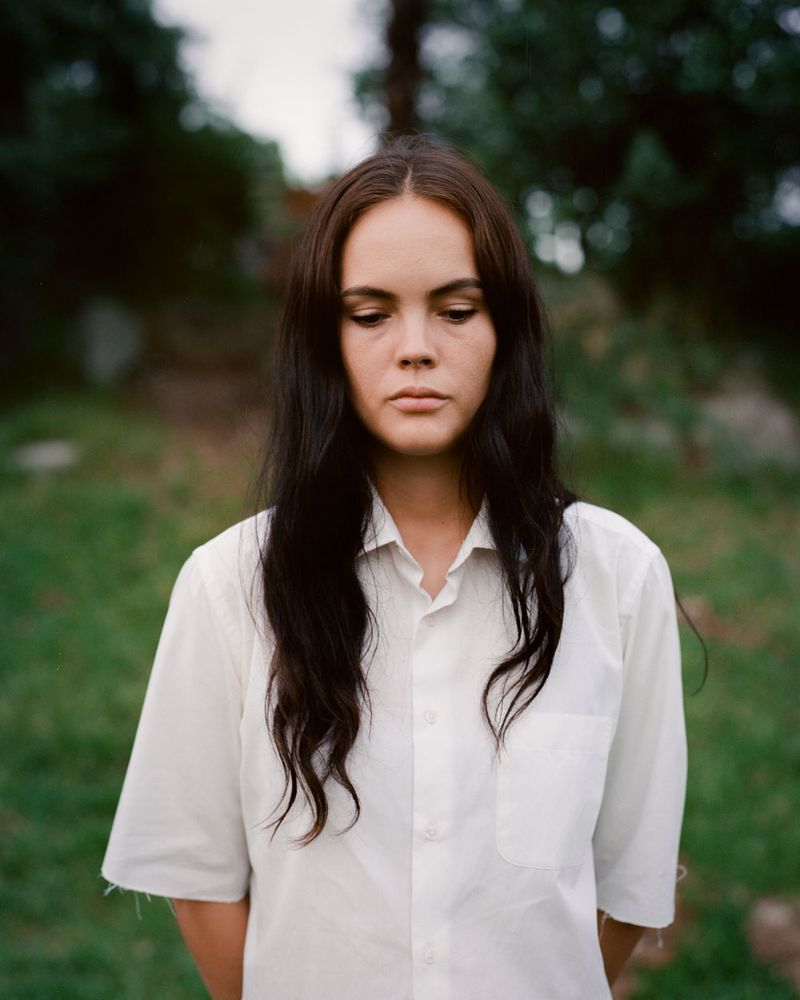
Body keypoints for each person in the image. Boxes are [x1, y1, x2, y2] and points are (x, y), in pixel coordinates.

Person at [102, 136, 687, 1000]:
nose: (415, 348)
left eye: (456, 309)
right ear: (324, 339)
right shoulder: (229, 585)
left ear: (507, 330)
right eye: (370, 314)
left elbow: (628, 886)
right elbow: (202, 880)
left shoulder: (618, 576)